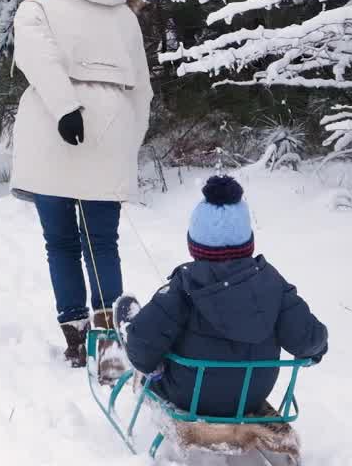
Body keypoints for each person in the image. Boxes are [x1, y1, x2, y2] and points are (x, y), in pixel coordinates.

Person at [9, 0, 152, 379]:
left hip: (52, 128)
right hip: (111, 126)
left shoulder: (38, 6)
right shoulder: (124, 13)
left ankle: (75, 335)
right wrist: (130, 140)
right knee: (102, 242)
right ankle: (109, 338)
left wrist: (67, 106)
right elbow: (142, 89)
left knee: (61, 243)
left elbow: (37, 58)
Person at [122, 175, 328, 418]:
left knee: (147, 341)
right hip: (252, 394)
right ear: (248, 242)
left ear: (194, 244)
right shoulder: (272, 282)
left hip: (189, 396)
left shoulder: (184, 285)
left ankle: (131, 336)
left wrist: (150, 367)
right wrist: (316, 351)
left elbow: (142, 342)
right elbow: (309, 340)